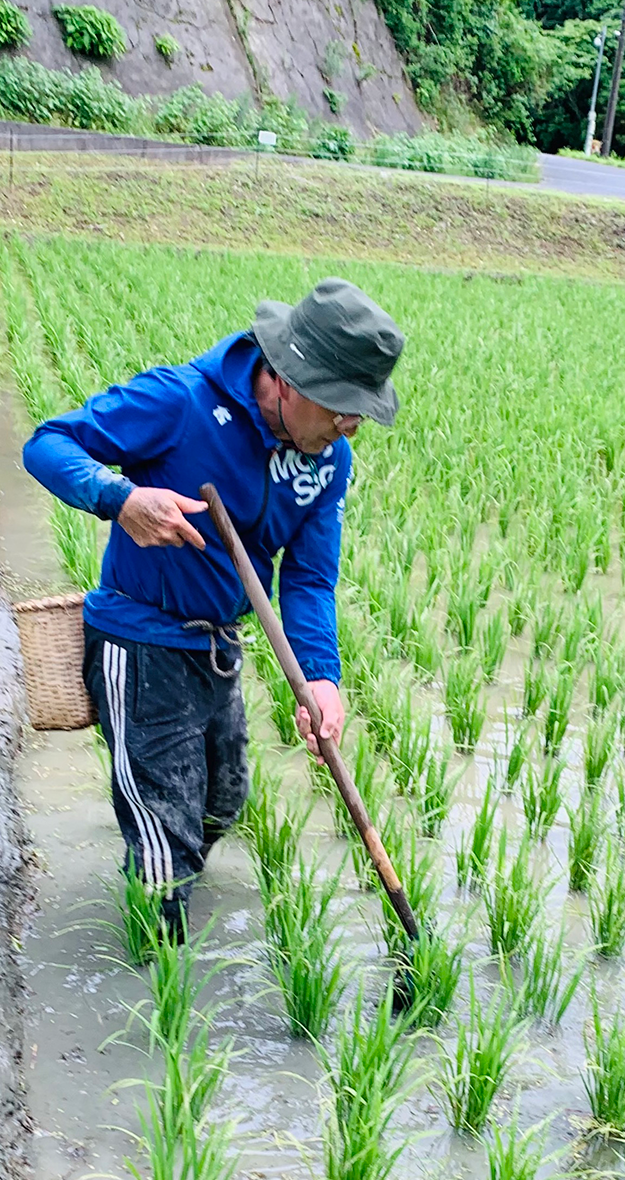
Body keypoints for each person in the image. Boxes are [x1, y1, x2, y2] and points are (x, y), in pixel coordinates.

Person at [23, 278, 405, 940]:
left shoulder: (327, 461)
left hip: (216, 650)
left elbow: (309, 578)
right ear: (289, 377)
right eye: (343, 406)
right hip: (138, 644)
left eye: (361, 412)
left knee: (222, 804)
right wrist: (121, 499)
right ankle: (157, 968)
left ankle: (161, 873)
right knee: (165, 848)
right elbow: (49, 444)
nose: (351, 425)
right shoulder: (181, 403)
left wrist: (321, 677)